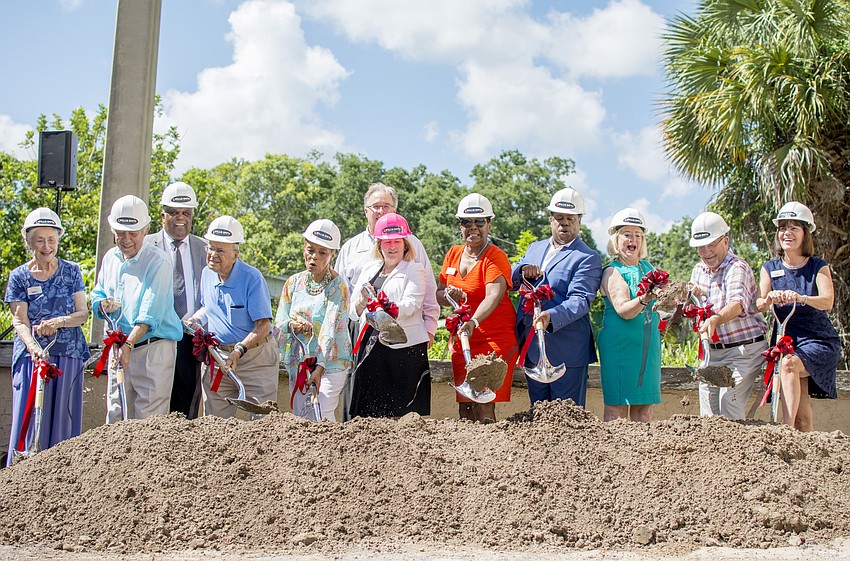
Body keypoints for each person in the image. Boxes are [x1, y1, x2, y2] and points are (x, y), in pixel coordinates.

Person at [335, 182, 439, 419]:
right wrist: (360, 305)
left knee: (401, 415)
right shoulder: (353, 250)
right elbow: (346, 302)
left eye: (387, 206)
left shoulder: (415, 256)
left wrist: (430, 331)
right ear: (366, 210)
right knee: (362, 410)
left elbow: (425, 298)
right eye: (376, 206)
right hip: (363, 340)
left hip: (404, 345)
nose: (381, 210)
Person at [4, 208, 90, 466]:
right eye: (39, 239)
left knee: (64, 421)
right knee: (29, 419)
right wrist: (33, 348)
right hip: (33, 357)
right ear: (29, 241)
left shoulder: (72, 271)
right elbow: (19, 320)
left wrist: (58, 322)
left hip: (68, 354)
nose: (46, 246)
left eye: (51, 239)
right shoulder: (18, 276)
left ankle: (62, 478)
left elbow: (82, 314)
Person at [91, 195, 183, 423]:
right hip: (120, 346)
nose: (126, 239)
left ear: (146, 230)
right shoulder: (110, 258)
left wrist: (129, 344)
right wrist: (101, 305)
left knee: (148, 419)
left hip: (153, 348)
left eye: (133, 233)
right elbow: (97, 294)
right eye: (120, 233)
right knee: (116, 413)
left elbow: (150, 313)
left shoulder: (158, 261)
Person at [511, 188, 602, 408]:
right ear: (551, 220)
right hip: (534, 348)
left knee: (567, 419)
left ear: (579, 221)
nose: (564, 224)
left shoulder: (587, 258)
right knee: (538, 414)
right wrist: (522, 269)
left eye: (570, 219)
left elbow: (580, 299)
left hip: (567, 352)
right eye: (559, 218)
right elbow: (512, 275)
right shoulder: (535, 248)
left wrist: (550, 316)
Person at [756, 202, 840, 431]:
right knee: (803, 417)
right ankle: (806, 457)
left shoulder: (818, 266)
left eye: (794, 228)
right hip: (786, 340)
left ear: (805, 234)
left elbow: (827, 301)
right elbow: (760, 304)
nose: (787, 233)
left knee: (789, 365)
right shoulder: (769, 267)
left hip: (817, 341)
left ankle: (784, 432)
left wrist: (801, 298)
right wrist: (770, 298)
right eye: (783, 228)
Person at [186, 216, 279, 420]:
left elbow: (263, 325)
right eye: (210, 248)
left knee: (262, 422)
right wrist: (196, 320)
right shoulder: (207, 274)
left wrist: (239, 350)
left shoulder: (252, 278)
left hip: (255, 359)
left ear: (235, 253)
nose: (213, 255)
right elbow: (208, 308)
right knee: (214, 423)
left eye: (220, 250)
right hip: (219, 359)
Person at [437, 193, 518, 423]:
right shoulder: (453, 254)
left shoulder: (495, 257)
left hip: (493, 341)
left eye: (479, 222)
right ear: (459, 225)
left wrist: (473, 322)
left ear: (489, 224)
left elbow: (494, 295)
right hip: (464, 340)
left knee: (483, 405)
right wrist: (450, 296)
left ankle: (491, 456)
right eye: (466, 222)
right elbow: (439, 293)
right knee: (465, 409)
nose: (473, 227)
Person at [688, 211, 768, 420]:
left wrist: (715, 319)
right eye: (701, 247)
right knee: (708, 413)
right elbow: (696, 307)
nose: (706, 252)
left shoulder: (737, 267)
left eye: (711, 244)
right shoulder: (698, 270)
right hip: (712, 352)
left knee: (729, 404)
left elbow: (737, 304)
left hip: (743, 351)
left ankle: (739, 452)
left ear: (725, 240)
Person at [349, 213, 430, 418]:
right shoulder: (369, 269)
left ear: (405, 244)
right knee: (368, 414)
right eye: (387, 242)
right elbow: (352, 311)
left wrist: (387, 306)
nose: (392, 247)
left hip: (404, 349)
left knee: (402, 415)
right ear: (379, 245)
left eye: (396, 241)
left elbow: (412, 305)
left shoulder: (415, 268)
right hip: (370, 348)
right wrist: (361, 301)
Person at [274, 219, 352, 422]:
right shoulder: (293, 283)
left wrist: (319, 367)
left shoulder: (338, 286)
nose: (314, 258)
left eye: (322, 253)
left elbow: (330, 328)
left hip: (331, 362)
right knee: (301, 417)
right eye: (310, 250)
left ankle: (333, 453)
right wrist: (293, 325)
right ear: (303, 248)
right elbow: (281, 321)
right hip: (300, 361)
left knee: (322, 412)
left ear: (332, 254)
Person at [146, 181, 208, 419]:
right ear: (163, 215)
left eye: (186, 213)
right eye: (173, 213)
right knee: (155, 405)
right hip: (157, 336)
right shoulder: (147, 246)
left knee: (186, 407)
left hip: (190, 339)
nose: (180, 218)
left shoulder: (205, 249)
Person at [597, 208, 661, 421]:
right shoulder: (612, 271)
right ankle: (614, 453)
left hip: (647, 347)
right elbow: (624, 310)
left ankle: (642, 453)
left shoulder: (648, 267)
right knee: (618, 409)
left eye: (638, 235)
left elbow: (663, 305)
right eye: (627, 234)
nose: (633, 239)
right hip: (620, 349)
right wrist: (646, 298)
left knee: (644, 408)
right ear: (616, 239)